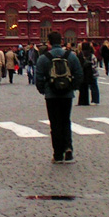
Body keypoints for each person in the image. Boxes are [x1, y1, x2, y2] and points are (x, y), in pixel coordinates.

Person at [35, 31, 83, 164]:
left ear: (49, 42)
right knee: (66, 121)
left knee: (55, 124)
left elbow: (38, 77)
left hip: (51, 96)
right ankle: (68, 150)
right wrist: (72, 87)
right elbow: (79, 73)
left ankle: (57, 155)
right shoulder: (71, 56)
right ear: (61, 41)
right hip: (67, 95)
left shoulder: (43, 58)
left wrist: (44, 90)